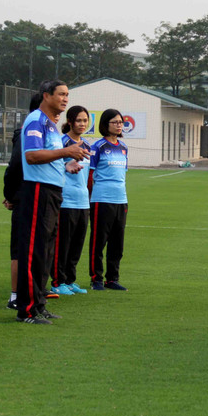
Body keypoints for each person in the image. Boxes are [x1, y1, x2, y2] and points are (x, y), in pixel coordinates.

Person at [16, 80, 89, 323]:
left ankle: (39, 304)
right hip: (38, 191)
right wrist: (66, 152)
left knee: (46, 251)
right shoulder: (36, 120)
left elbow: (49, 157)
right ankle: (26, 310)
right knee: (34, 251)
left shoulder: (51, 125)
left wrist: (66, 163)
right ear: (46, 96)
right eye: (60, 94)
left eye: (67, 95)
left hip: (53, 191)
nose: (65, 99)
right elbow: (32, 155)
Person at [4, 93, 43, 309]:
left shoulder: (47, 128)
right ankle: (17, 296)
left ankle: (34, 293)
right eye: (61, 96)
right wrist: (11, 195)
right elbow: (17, 165)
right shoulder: (29, 130)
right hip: (26, 197)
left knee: (37, 248)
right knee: (21, 249)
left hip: (40, 197)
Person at [51, 105, 92, 295]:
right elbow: (50, 167)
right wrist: (65, 164)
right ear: (70, 122)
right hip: (65, 201)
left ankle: (70, 279)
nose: (82, 124)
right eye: (78, 120)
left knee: (77, 244)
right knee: (63, 244)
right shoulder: (61, 142)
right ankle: (58, 281)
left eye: (85, 120)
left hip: (83, 201)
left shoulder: (87, 146)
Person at [88, 109, 130, 291]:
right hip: (101, 199)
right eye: (115, 122)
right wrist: (91, 196)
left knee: (117, 242)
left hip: (121, 199)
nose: (119, 124)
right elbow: (90, 175)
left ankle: (112, 278)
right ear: (106, 124)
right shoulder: (98, 147)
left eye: (121, 122)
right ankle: (96, 278)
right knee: (98, 241)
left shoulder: (123, 148)